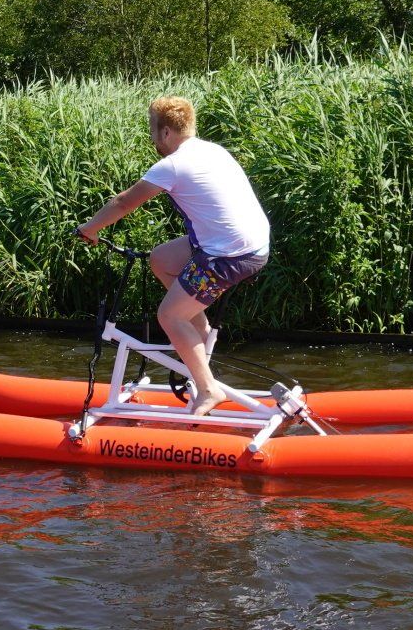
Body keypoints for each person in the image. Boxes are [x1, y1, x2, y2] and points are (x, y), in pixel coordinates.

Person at [75, 96, 270, 416]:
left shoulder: (174, 164)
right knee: (162, 260)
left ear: (166, 132)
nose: (152, 138)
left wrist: (90, 229)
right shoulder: (213, 150)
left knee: (169, 316)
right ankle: (198, 333)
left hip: (229, 255)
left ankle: (208, 389)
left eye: (153, 131)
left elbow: (124, 202)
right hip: (246, 244)